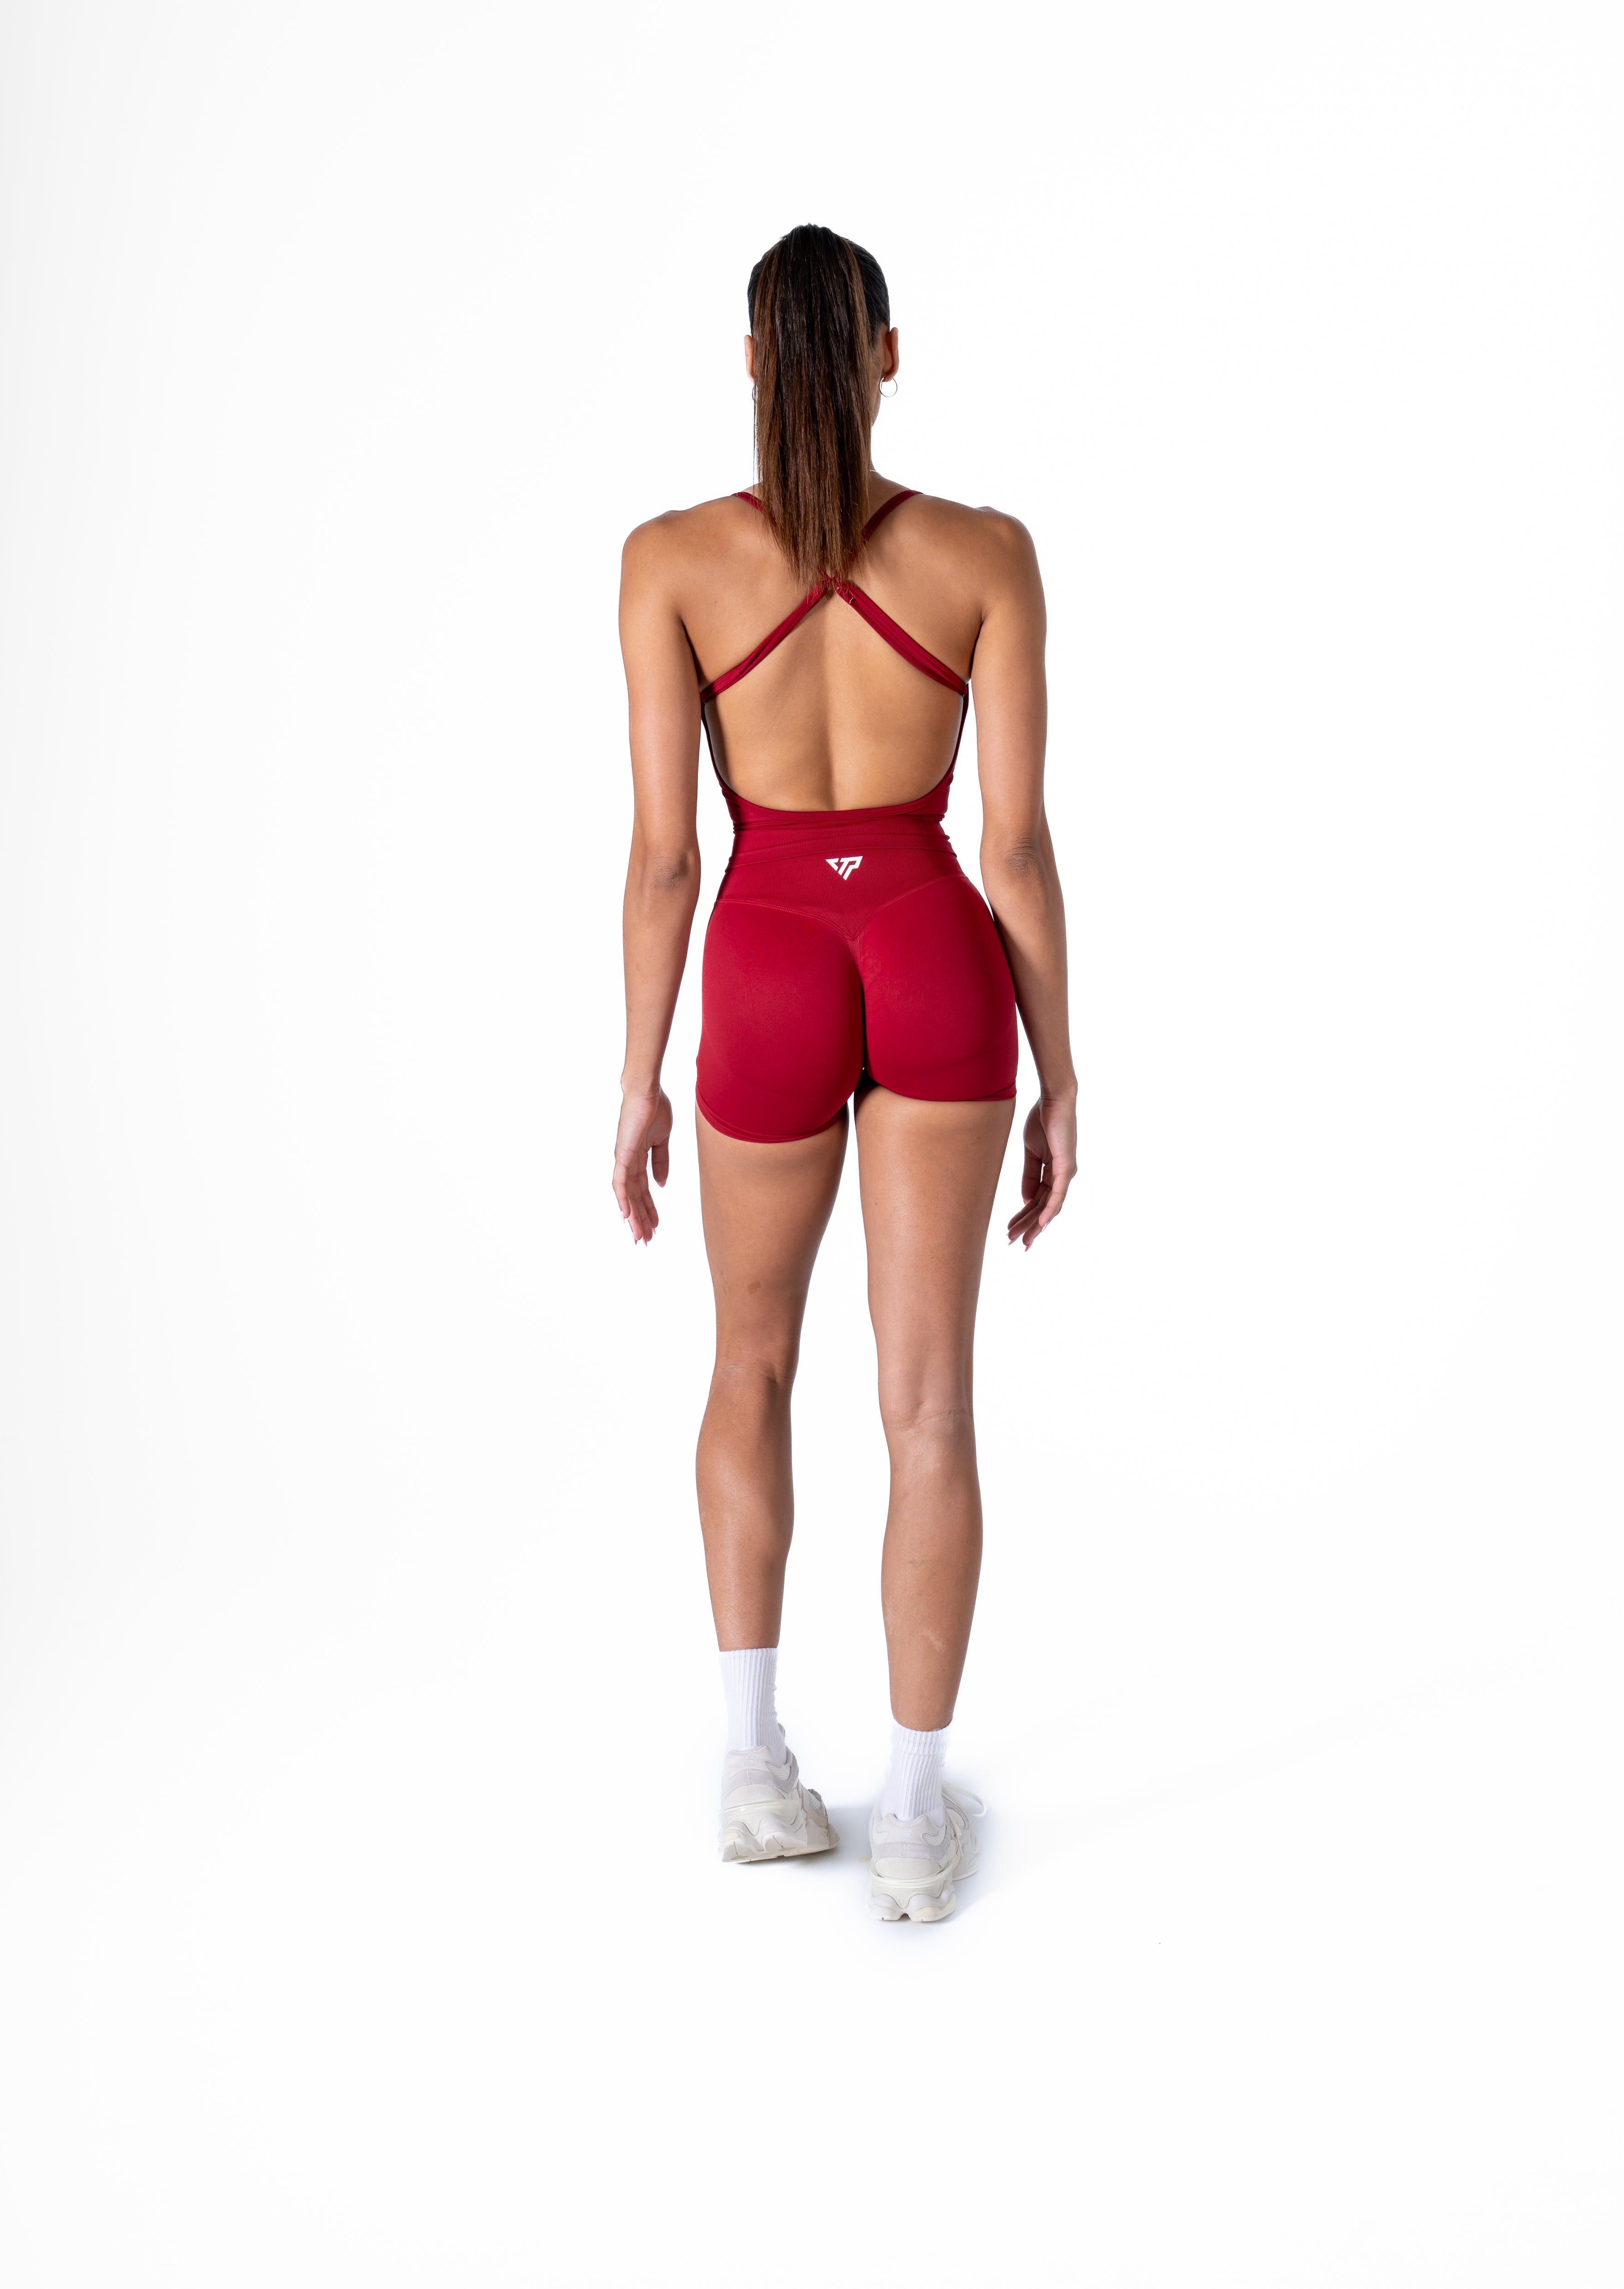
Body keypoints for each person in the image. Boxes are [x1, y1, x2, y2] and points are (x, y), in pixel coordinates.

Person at [612, 224, 1077, 1921]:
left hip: (766, 962)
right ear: (887, 354)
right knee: (929, 1402)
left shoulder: (669, 562)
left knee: (749, 1366)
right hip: (934, 954)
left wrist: (641, 1077)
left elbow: (668, 859)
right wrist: (1062, 1069)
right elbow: (1011, 846)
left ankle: (754, 1773)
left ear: (754, 358)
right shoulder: (987, 555)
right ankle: (913, 1818)